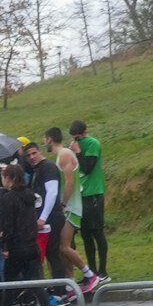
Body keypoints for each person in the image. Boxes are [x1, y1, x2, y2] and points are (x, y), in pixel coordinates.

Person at [45, 126, 100, 294]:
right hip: (69, 207)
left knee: (64, 247)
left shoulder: (65, 155)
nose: (44, 143)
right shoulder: (62, 155)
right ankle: (70, 284)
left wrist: (63, 203)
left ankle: (90, 275)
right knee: (62, 249)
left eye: (44, 140)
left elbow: (70, 182)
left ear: (49, 139)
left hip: (72, 207)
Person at [19, 137, 67, 306]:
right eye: (28, 155)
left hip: (51, 216)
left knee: (53, 253)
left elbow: (52, 193)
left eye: (34, 153)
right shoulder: (37, 169)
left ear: (40, 151)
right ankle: (57, 288)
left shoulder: (48, 167)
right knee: (49, 254)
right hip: (44, 217)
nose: (31, 157)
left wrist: (43, 218)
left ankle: (61, 293)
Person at [0, 163, 44, 306]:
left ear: (8, 178)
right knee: (37, 284)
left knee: (9, 285)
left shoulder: (7, 198)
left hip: (16, 247)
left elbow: (8, 226)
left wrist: (5, 245)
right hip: (31, 245)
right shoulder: (29, 196)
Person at [71, 119, 109, 279]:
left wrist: (78, 152)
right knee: (85, 234)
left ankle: (103, 271)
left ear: (85, 133)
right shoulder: (75, 146)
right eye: (75, 138)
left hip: (94, 193)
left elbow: (87, 168)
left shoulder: (93, 143)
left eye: (79, 138)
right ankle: (91, 271)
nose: (77, 141)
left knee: (97, 232)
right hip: (81, 195)